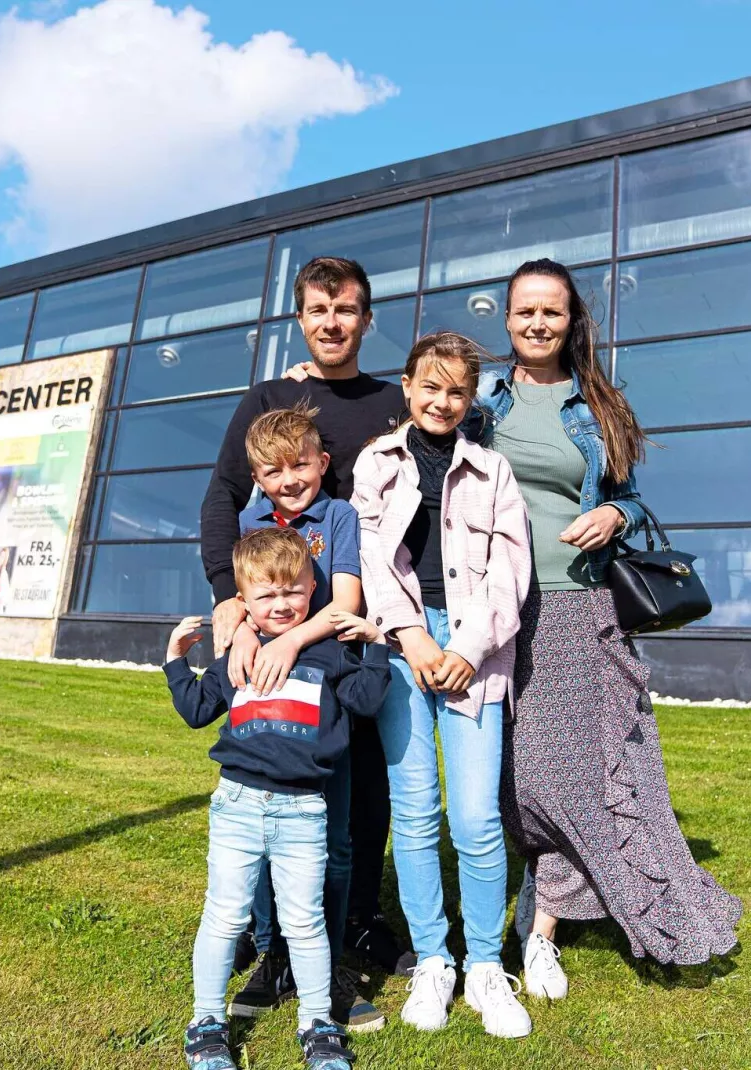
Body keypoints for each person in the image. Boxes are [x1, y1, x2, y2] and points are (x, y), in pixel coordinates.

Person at [469, 258, 741, 996]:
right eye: (526, 311)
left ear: (570, 321)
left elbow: (636, 497)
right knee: (505, 777)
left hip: (573, 606)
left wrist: (616, 512)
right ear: (508, 319)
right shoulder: (481, 402)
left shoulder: (596, 405)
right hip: (493, 610)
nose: (537, 323)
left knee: (573, 772)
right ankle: (520, 909)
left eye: (551, 312)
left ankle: (543, 934)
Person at [199, 257, 412, 1022]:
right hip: (275, 631)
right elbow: (224, 498)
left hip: (352, 634)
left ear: (366, 316)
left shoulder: (394, 402)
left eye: (346, 309)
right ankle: (275, 941)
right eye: (318, 309)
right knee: (271, 780)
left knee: (360, 790)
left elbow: (459, 420)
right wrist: (230, 601)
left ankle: (353, 924)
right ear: (301, 317)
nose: (332, 322)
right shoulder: (270, 398)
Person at [350, 332, 535, 1038]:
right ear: (407, 386)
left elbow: (509, 572)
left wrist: (465, 645)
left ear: (470, 398)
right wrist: (413, 636)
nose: (442, 400)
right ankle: (435, 959)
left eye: (457, 390)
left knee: (478, 818)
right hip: (402, 648)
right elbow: (372, 556)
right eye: (430, 386)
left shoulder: (493, 472)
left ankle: (486, 963)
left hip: (474, 651)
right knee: (418, 811)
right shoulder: (376, 462)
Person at [165, 526, 391, 1070]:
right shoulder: (236, 655)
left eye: (293, 591)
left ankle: (318, 1024)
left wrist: (375, 646)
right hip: (237, 806)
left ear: (313, 587)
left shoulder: (332, 654)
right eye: (266, 595)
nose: (282, 604)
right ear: (244, 603)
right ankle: (207, 1022)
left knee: (306, 922)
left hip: (304, 811)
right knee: (222, 916)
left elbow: (364, 701)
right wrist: (176, 660)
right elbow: (198, 710)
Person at [224, 404, 379, 1030]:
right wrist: (238, 634)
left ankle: (330, 958)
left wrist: (289, 641)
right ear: (257, 477)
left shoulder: (338, 517)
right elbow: (242, 597)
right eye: (272, 470)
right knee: (261, 835)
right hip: (264, 696)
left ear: (323, 462)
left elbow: (345, 605)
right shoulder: (249, 521)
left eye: (299, 465)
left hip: (325, 691)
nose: (288, 479)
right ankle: (274, 955)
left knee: (333, 838)